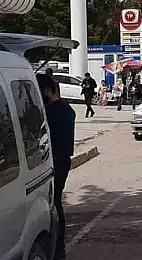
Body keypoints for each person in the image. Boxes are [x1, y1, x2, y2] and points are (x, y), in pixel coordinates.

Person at [36, 74, 75, 260]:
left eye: (40, 91)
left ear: (48, 90)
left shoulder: (58, 111)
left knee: (54, 203)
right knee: (52, 203)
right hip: (53, 160)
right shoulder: (62, 109)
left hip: (57, 161)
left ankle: (58, 246)